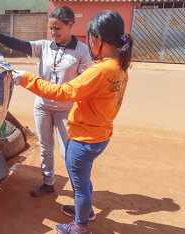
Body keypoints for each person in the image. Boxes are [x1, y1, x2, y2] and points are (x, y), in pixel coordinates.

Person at [11, 10, 133, 234]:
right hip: (100, 133)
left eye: (91, 39)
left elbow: (64, 92)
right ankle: (85, 212)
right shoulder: (120, 65)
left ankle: (80, 226)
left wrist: (26, 79)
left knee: (80, 184)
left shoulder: (100, 70)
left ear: (99, 40)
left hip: (85, 138)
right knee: (82, 180)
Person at [0, 6, 92, 197]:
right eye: (50, 28)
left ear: (70, 25)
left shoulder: (82, 51)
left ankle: (79, 191)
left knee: (70, 152)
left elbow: (83, 86)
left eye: (57, 28)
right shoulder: (45, 46)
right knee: (46, 147)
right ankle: (48, 182)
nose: (53, 32)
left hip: (66, 110)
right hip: (42, 107)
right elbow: (21, 45)